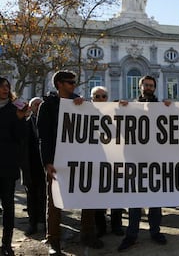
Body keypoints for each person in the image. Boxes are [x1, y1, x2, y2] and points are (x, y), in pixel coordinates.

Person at [37, 70, 103, 255]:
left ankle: (88, 234)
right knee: (55, 201)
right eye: (69, 82)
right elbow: (44, 137)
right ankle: (53, 240)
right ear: (59, 83)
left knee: (88, 196)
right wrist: (47, 162)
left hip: (82, 159)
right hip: (57, 161)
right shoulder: (47, 106)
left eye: (74, 82)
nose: (73, 85)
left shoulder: (81, 103)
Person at [118, 75, 169, 252]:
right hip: (135, 159)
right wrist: (121, 109)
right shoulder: (131, 107)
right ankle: (131, 235)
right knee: (135, 200)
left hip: (156, 159)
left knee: (155, 199)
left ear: (155, 88)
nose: (148, 87)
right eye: (145, 85)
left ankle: (155, 232)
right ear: (140, 87)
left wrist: (173, 108)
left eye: (151, 85)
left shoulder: (163, 106)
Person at [90, 86, 125, 238]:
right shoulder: (85, 112)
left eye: (104, 96)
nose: (101, 99)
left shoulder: (114, 111)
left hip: (114, 160)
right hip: (95, 161)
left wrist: (127, 108)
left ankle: (117, 225)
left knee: (116, 196)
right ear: (92, 98)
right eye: (97, 96)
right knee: (98, 197)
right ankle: (101, 227)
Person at [0, 77, 29, 256]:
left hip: (7, 166)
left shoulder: (15, 109)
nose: (5, 89)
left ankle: (6, 244)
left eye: (7, 86)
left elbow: (21, 138)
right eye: (1, 86)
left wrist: (20, 120)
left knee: (9, 208)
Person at [23, 97, 46, 236]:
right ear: (31, 108)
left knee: (44, 195)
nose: (38, 106)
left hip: (45, 164)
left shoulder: (48, 121)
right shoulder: (24, 123)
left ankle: (44, 222)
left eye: (40, 104)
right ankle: (32, 224)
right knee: (31, 195)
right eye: (36, 104)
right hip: (30, 165)